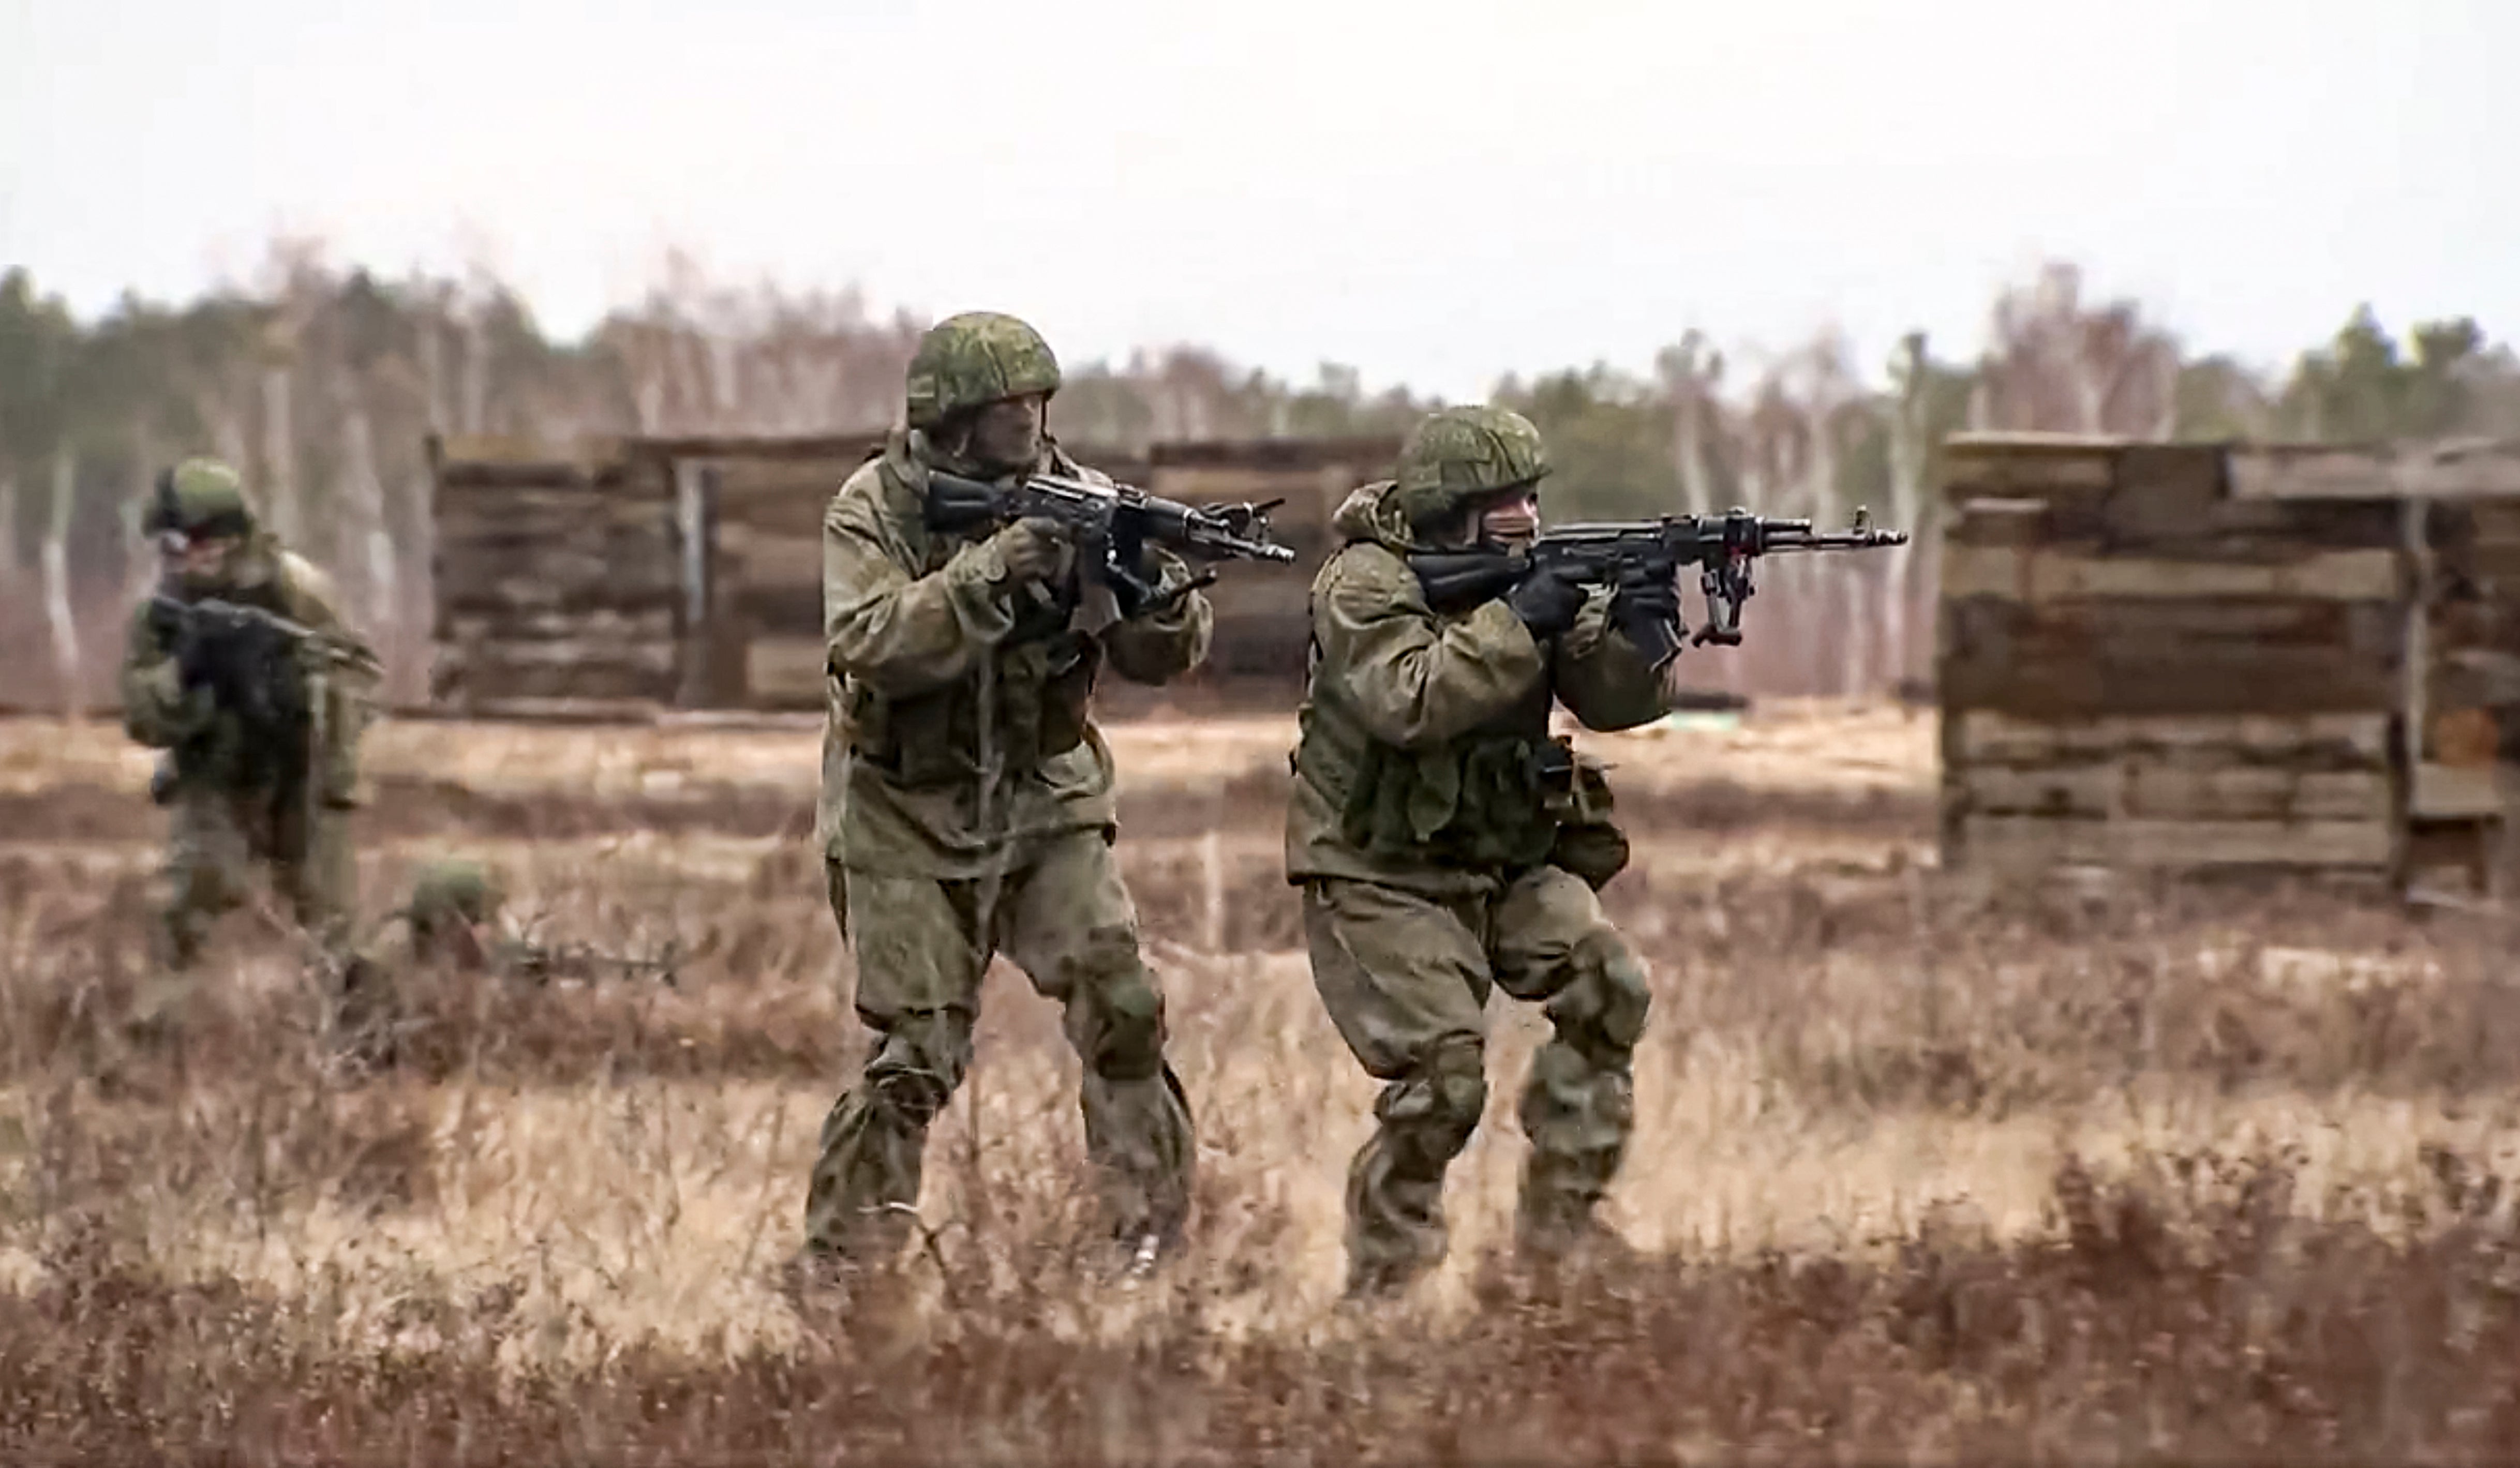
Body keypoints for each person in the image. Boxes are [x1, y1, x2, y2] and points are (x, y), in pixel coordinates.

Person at [800, 310, 1210, 1280]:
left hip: (1043, 798)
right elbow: (873, 643)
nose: (1027, 421)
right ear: (950, 419)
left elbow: (1163, 660)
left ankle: (1147, 1238)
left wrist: (1149, 587)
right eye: (1005, 405)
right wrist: (1000, 565)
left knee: (1121, 1002)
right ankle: (845, 1270)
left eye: (1037, 401)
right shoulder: (876, 509)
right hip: (902, 810)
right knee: (918, 1054)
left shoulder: (1082, 498)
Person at [1285, 404, 1682, 1298]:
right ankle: (1389, 1284)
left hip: (1504, 858)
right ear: (1450, 510)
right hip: (1379, 869)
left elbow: (1612, 698)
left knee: (1608, 982)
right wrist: (1520, 616)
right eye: (1505, 501)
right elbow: (1409, 697)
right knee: (1446, 1074)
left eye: (1533, 497)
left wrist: (1643, 636)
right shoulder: (1361, 583)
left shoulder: (1526, 578)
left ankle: (1560, 1235)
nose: (1527, 518)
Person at [118, 457, 380, 1024]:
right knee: (186, 909)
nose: (187, 558)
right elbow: (142, 720)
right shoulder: (160, 617)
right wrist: (186, 675)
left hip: (303, 770)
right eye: (172, 545)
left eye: (200, 543)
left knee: (333, 922)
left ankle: (365, 1041)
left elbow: (360, 677)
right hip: (213, 772)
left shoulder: (297, 590)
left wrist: (299, 689)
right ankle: (151, 1041)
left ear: (233, 538)